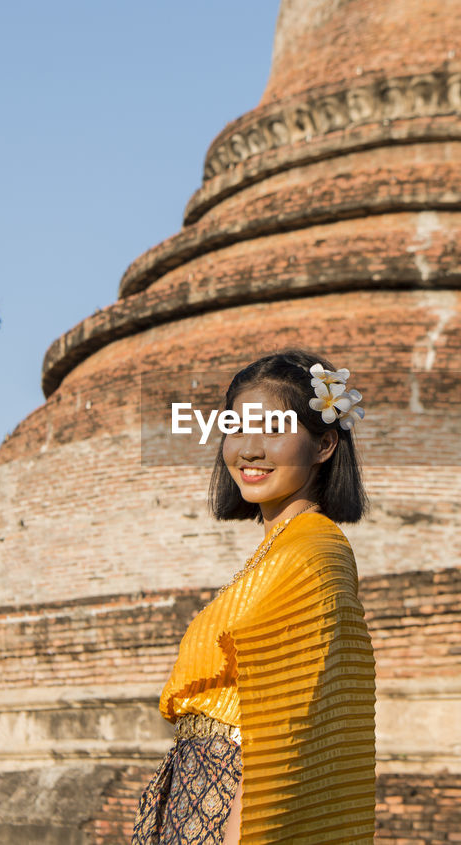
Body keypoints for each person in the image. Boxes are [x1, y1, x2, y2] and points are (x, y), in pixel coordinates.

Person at [132, 349, 377, 844]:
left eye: (273, 430)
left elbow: (287, 726)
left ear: (325, 444)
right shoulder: (276, 550)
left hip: (236, 810)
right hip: (197, 796)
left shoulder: (314, 552)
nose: (249, 449)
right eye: (236, 429)